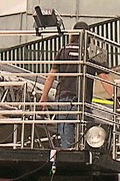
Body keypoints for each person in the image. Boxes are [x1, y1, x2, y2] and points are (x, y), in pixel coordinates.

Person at [38, 21, 115, 149]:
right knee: (89, 141)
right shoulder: (92, 53)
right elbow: (104, 77)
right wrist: (114, 98)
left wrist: (44, 97)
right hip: (82, 101)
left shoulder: (64, 50)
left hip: (63, 101)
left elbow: (51, 76)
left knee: (66, 146)